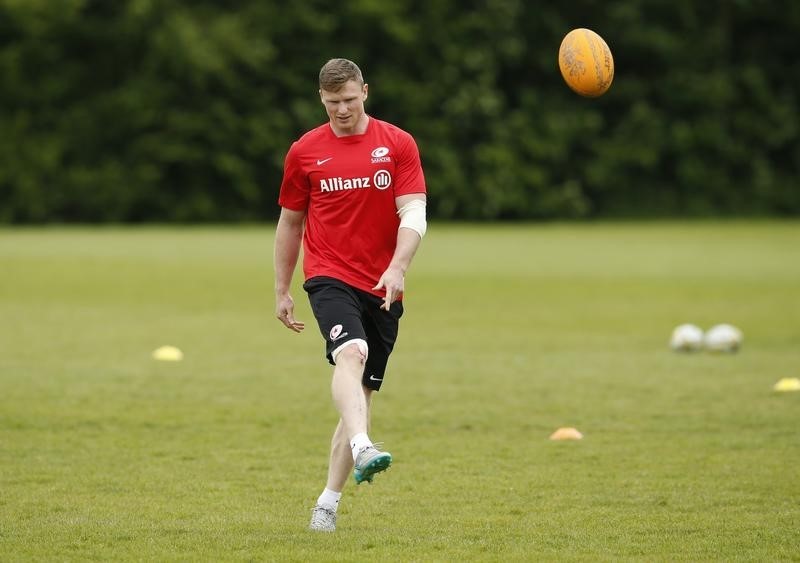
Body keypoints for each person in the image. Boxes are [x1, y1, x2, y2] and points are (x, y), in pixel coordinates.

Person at [273, 58, 427, 533]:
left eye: (350, 99)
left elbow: (414, 212)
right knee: (351, 352)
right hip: (328, 275)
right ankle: (364, 446)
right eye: (333, 102)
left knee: (359, 396)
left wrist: (399, 266)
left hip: (382, 283)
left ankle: (327, 504)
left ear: (366, 90)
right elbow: (291, 222)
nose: (342, 109)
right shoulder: (304, 152)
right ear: (322, 99)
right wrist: (282, 288)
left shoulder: (397, 144)